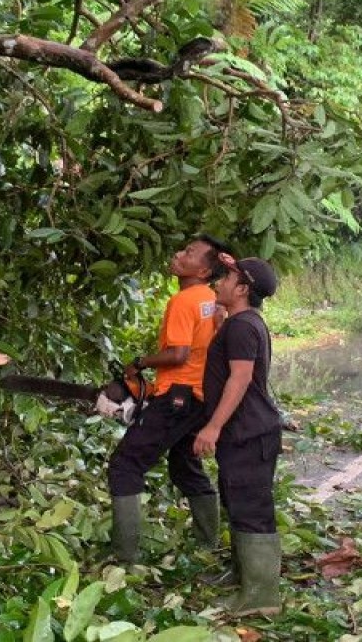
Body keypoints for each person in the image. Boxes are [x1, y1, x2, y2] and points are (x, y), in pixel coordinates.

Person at [107, 234, 231, 564]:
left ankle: (125, 559)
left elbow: (178, 354)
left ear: (204, 271)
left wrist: (140, 363)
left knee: (125, 466)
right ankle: (209, 543)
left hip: (177, 397)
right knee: (183, 463)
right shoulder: (210, 298)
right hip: (200, 398)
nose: (179, 255)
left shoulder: (184, 300)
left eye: (189, 253)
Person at [193, 255, 283, 617]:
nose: (218, 281)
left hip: (250, 431)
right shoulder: (238, 321)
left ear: (243, 289)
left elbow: (240, 378)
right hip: (243, 432)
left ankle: (262, 596)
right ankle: (243, 575)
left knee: (251, 508)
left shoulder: (243, 326)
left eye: (227, 277)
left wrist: (212, 427)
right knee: (236, 502)